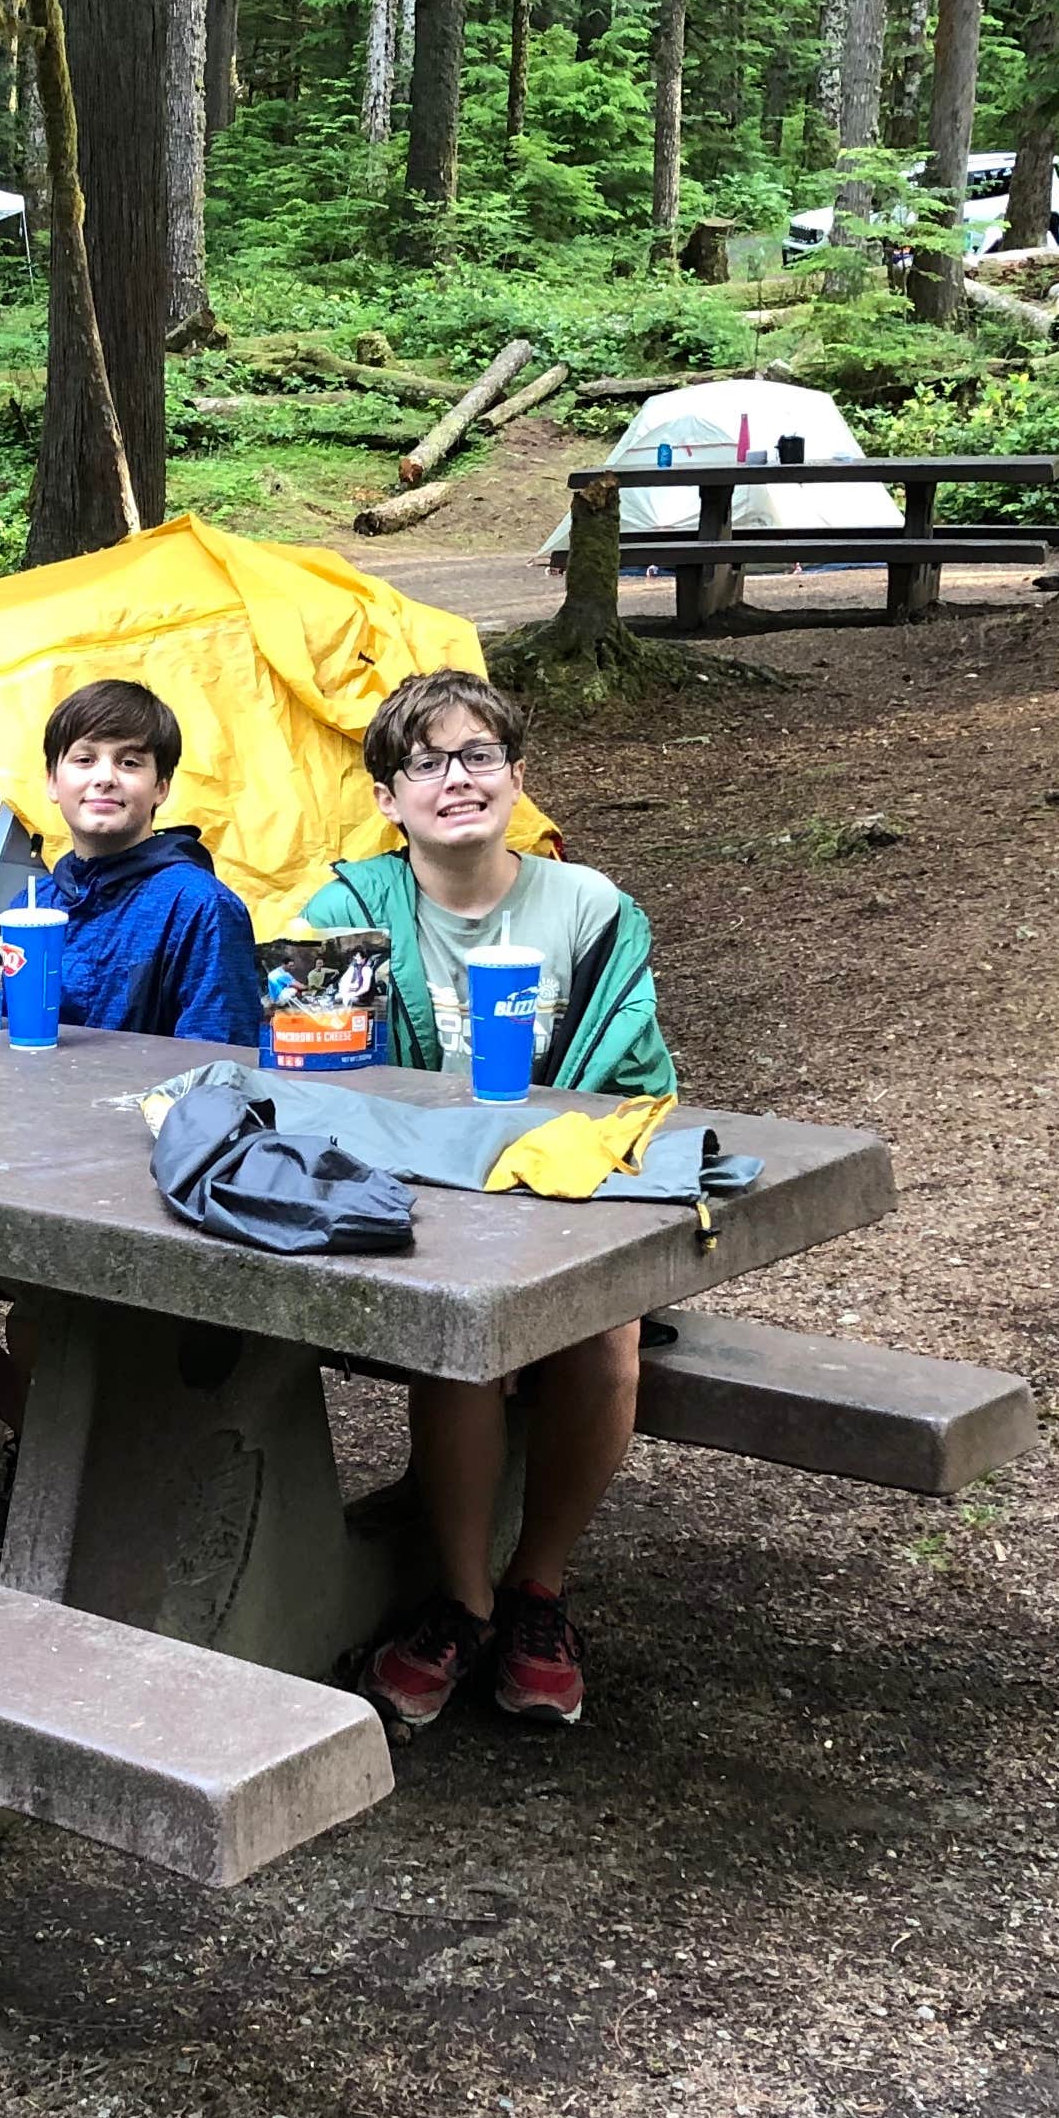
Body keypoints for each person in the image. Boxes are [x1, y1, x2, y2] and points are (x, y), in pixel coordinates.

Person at [299, 668, 676, 1732]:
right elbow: (323, 1081)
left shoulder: (590, 907)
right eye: (426, 763)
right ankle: (462, 1602)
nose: (455, 779)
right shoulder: (349, 909)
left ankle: (537, 1592)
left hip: (568, 1196)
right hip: (418, 1201)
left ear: (517, 777)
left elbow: (632, 1074)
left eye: (478, 757)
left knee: (605, 1336)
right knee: (466, 1326)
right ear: (387, 798)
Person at [0, 677, 260, 1428]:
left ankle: (66, 1473)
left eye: (130, 763)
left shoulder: (198, 905)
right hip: (26, 1161)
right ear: (52, 784)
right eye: (85, 759)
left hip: (132, 1178)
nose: (105, 776)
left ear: (160, 788)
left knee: (47, 1319)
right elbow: (4, 1046)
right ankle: (35, 1426)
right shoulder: (42, 901)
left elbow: (219, 1072)